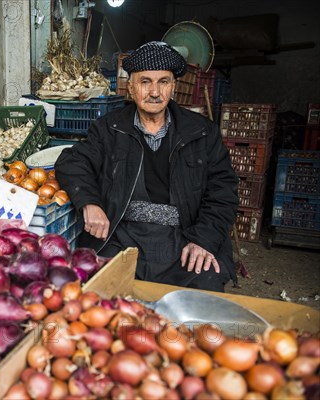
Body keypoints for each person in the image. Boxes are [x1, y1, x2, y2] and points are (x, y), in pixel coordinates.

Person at [55, 41, 239, 292]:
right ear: (130, 87)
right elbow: (72, 161)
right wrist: (90, 203)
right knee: (100, 292)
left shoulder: (202, 132)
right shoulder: (109, 128)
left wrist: (203, 240)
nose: (154, 92)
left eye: (163, 82)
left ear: (173, 87)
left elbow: (223, 191)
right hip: (122, 236)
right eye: (145, 82)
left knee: (203, 289)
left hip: (183, 237)